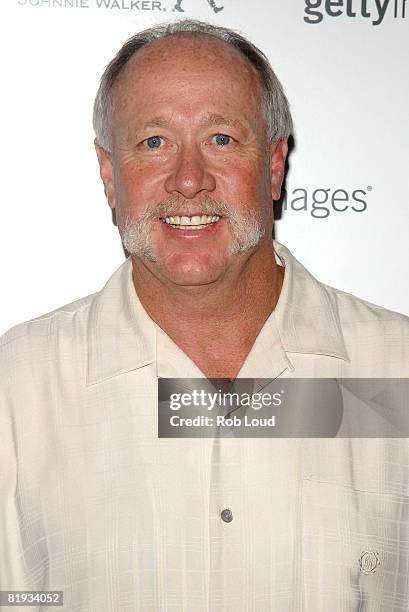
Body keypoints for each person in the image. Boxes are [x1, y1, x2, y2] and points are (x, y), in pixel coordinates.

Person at [1, 19, 409, 611]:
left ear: (273, 166)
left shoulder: (397, 371)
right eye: (153, 142)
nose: (189, 180)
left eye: (221, 138)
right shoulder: (16, 388)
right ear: (109, 175)